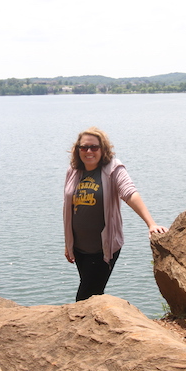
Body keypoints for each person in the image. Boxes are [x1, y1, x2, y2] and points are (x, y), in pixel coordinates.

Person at [63, 127, 168, 302]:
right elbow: (69, 208)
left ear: (103, 149)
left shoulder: (113, 169)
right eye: (84, 147)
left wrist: (151, 223)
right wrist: (69, 243)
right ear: (77, 150)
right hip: (80, 248)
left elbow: (129, 193)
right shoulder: (73, 171)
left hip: (103, 248)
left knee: (85, 297)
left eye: (94, 147)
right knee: (92, 292)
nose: (89, 151)